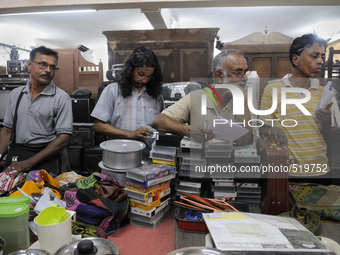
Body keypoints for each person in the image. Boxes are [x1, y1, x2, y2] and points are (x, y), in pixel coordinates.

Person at [259, 33, 332, 179]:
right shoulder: (272, 90)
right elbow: (262, 128)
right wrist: (272, 129)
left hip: (321, 170)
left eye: (322, 57)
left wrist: (327, 121)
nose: (320, 61)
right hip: (288, 173)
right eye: (314, 56)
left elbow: (327, 136)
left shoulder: (325, 94)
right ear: (296, 59)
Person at [151, 49, 254, 146]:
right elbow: (159, 121)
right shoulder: (196, 97)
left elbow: (243, 140)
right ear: (219, 76)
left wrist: (242, 100)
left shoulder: (248, 99)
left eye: (245, 72)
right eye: (238, 73)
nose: (245, 78)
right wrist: (188, 130)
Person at [0, 46, 73, 178]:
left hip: (48, 159)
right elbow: (7, 130)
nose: (48, 70)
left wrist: (28, 164)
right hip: (19, 154)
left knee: (46, 196)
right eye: (42, 64)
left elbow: (64, 139)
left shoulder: (61, 98)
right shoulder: (16, 94)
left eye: (52, 67)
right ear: (29, 64)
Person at [91, 47, 164, 162]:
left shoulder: (156, 95)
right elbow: (99, 126)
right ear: (130, 70)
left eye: (149, 76)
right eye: (141, 74)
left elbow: (161, 125)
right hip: (119, 158)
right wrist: (130, 134)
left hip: (148, 159)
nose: (145, 80)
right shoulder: (112, 91)